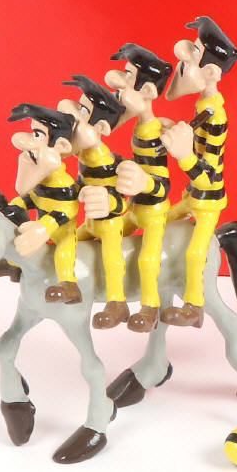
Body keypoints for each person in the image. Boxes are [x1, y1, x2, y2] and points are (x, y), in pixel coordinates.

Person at [158, 16, 237, 328]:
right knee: (155, 218)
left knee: (195, 253)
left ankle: (193, 306)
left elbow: (210, 172)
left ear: (210, 73)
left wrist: (183, 156)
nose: (183, 57)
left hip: (208, 199)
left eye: (194, 52)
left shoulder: (215, 116)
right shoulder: (204, 108)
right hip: (192, 194)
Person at [105, 43, 174, 332]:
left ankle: (149, 307)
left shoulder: (155, 134)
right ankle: (115, 301)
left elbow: (163, 185)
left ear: (147, 92)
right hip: (135, 208)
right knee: (103, 235)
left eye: (128, 76)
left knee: (147, 259)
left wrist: (144, 182)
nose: (120, 84)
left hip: (154, 211)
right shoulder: (143, 128)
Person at [57, 75, 130, 329]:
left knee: (112, 259)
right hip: (89, 224)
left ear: (102, 129)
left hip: (110, 226)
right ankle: (66, 283)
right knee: (65, 240)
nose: (75, 117)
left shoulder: (112, 163)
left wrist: (110, 203)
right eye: (79, 107)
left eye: (83, 111)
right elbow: (82, 182)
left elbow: (123, 200)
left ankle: (117, 302)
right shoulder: (84, 157)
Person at [7, 103, 80, 303]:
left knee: (64, 252)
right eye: (33, 133)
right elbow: (30, 194)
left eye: (38, 135)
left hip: (61, 230)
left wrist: (45, 227)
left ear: (61, 146)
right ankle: (13, 265)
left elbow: (69, 209)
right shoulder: (42, 177)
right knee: (17, 222)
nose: (30, 140)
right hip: (40, 225)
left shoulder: (64, 183)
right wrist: (18, 205)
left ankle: (69, 284)